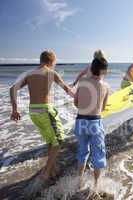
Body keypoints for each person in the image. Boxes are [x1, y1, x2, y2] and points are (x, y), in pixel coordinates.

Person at [9, 50, 74, 182]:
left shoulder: (30, 74)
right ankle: (46, 173)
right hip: (45, 111)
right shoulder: (51, 73)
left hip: (33, 112)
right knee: (59, 140)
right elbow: (68, 90)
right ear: (51, 61)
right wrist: (80, 99)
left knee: (51, 140)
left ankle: (53, 170)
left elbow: (12, 89)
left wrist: (15, 109)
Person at [74, 57, 109, 190]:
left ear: (91, 68)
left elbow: (76, 103)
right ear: (104, 70)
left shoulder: (82, 82)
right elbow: (103, 108)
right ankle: (96, 185)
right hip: (95, 122)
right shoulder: (105, 86)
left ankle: (80, 180)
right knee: (98, 154)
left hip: (80, 120)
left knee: (82, 151)